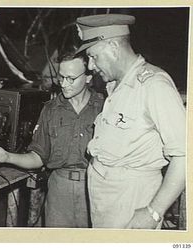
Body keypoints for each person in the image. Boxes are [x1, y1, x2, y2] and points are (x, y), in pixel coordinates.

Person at [75, 13, 186, 229]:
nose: (90, 66)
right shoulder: (116, 87)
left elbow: (185, 155)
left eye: (93, 56)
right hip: (105, 201)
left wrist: (154, 212)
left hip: (132, 201)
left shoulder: (153, 84)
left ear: (113, 47)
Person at [0, 51, 103, 227]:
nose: (64, 84)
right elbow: (38, 157)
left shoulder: (105, 106)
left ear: (88, 77)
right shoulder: (51, 110)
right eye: (61, 78)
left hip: (97, 188)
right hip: (60, 191)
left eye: (71, 78)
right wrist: (7, 156)